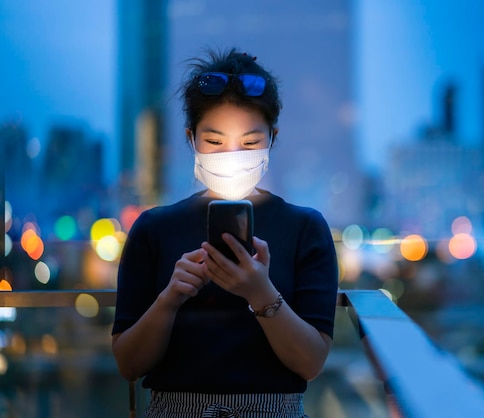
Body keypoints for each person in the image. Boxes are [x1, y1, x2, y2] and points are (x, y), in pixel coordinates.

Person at [111, 48, 339, 418]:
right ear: (191, 138)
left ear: (272, 138)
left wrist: (259, 291)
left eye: (249, 143)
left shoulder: (305, 228)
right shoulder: (153, 229)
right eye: (214, 142)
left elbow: (310, 363)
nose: (232, 155)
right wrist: (169, 298)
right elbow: (129, 365)